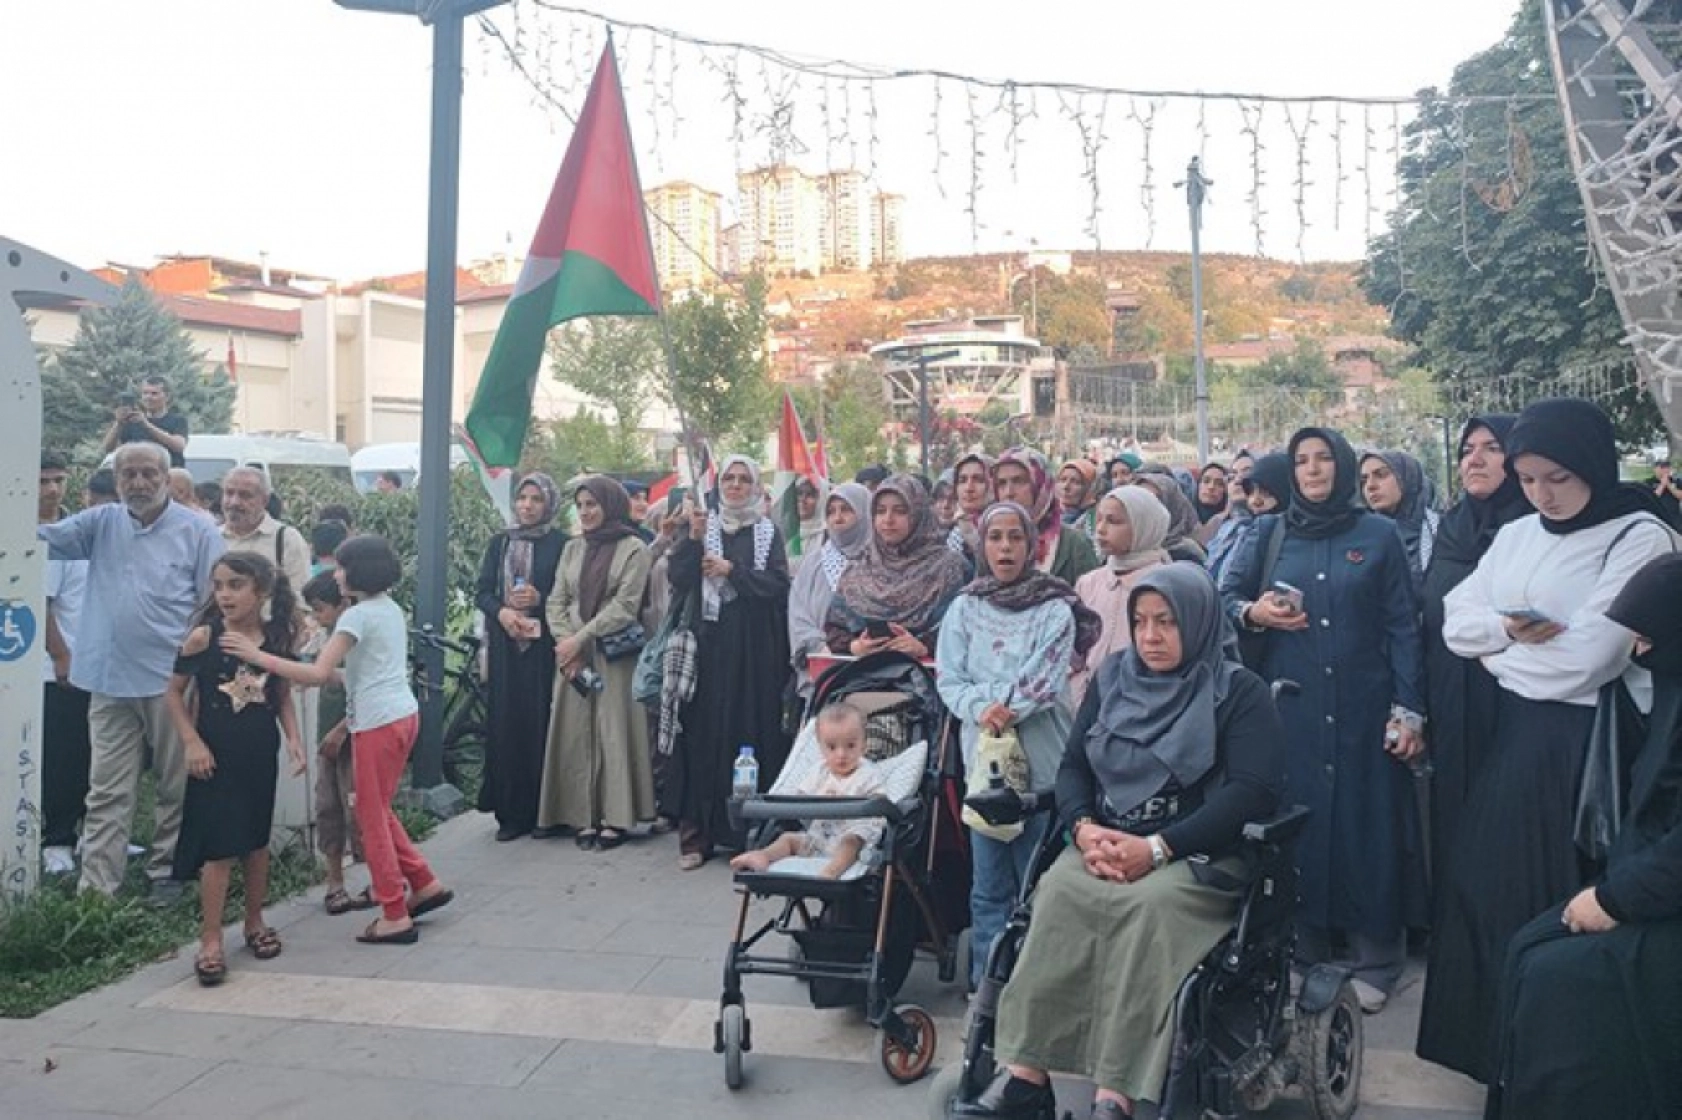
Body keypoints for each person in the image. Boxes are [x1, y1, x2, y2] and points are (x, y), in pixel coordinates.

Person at [959, 564, 1285, 1120]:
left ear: (1200, 623)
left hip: (1199, 852)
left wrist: (1157, 848)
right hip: (1106, 838)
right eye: (1140, 622)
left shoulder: (1239, 692)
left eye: (1167, 622)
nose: (1151, 636)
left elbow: (1251, 793)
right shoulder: (1113, 676)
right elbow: (1074, 766)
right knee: (1058, 894)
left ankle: (1116, 1092)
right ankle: (1026, 1072)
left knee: (1148, 909)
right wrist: (1083, 827)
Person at [1417, 398, 1677, 1080]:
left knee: (1564, 902)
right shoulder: (1519, 532)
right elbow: (1455, 620)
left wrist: (1494, 654)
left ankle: (1561, 1071)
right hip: (1519, 745)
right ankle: (1501, 1061)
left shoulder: (1640, 536)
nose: (1542, 494)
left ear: (1591, 462)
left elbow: (1590, 658)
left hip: (1596, 752)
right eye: (1528, 478)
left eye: (1557, 476)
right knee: (1486, 894)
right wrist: (1509, 634)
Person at [1220, 426, 1425, 1013]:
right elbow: (1223, 594)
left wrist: (1409, 711)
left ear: (1341, 467)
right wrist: (1254, 612)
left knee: (1370, 827)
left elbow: (1403, 629)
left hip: (1365, 709)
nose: (1311, 470)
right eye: (1302, 461)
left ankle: (1376, 958)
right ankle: (1304, 951)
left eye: (1323, 460)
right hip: (1292, 710)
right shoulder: (1268, 533)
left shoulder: (1378, 535)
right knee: (1297, 826)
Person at [1483, 553, 1682, 1120]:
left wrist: (1617, 899)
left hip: (1657, 901)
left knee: (1559, 985)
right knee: (1527, 950)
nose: (1641, 652)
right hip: (1648, 884)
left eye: (1649, 638)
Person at [223, 535, 453, 945]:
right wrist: (327, 676)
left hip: (376, 724)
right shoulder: (389, 610)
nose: (336, 575)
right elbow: (363, 672)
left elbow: (314, 673)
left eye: (343, 568)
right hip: (402, 715)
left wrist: (256, 656)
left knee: (370, 817)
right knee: (379, 810)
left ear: (359, 572)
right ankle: (422, 882)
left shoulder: (355, 617)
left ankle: (394, 912)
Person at [36, 442, 224, 898]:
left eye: (147, 474)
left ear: (165, 477)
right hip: (107, 678)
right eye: (129, 475)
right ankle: (98, 886)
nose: (138, 483)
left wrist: (197, 664)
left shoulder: (198, 531)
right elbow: (44, 536)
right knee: (105, 788)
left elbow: (212, 603)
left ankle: (167, 874)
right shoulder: (101, 523)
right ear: (116, 481)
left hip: (170, 682)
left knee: (173, 786)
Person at [937, 501, 1098, 991]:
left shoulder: (1054, 607)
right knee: (989, 887)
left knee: (1039, 883)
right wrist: (982, 707)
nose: (1005, 548)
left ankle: (1037, 991)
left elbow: (1046, 677)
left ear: (1033, 545)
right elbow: (949, 676)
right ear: (982, 545)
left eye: (1015, 538)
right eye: (995, 538)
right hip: (986, 768)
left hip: (1042, 765)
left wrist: (1005, 707)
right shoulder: (965, 606)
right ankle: (990, 990)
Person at [165, 553, 306, 985]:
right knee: (218, 848)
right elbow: (173, 693)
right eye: (219, 585)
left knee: (255, 841)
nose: (224, 594)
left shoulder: (276, 637)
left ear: (260, 591)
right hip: (213, 754)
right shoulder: (205, 637)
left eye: (236, 585)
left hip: (257, 752)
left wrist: (294, 739)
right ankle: (210, 938)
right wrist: (191, 741)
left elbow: (278, 693)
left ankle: (254, 921)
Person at [1419, 416, 1530, 893]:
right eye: (1467, 449)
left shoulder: (1533, 529)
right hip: (1449, 701)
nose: (1475, 459)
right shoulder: (1451, 528)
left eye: (1491, 447)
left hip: (1513, 703)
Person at [667, 456, 793, 869]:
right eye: (729, 479)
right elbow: (679, 578)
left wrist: (731, 570)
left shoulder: (765, 531)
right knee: (703, 737)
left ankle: (747, 833)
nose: (736, 486)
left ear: (756, 486)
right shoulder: (705, 524)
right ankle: (698, 836)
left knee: (750, 735)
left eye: (744, 480)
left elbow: (776, 584)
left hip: (754, 654)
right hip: (710, 649)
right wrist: (692, 539)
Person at [536, 476, 654, 850]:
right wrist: (564, 644)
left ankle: (616, 818)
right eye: (581, 506)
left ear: (610, 506)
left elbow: (625, 605)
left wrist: (580, 639)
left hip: (613, 655)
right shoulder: (573, 549)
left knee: (613, 732)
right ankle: (580, 814)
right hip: (572, 656)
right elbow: (556, 600)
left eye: (593, 505)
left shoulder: (634, 548)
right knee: (574, 732)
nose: (586, 513)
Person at [474, 473, 567, 842]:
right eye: (522, 498)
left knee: (542, 723)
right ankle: (511, 813)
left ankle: (546, 811)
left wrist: (539, 599)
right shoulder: (499, 543)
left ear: (549, 505)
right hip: (507, 648)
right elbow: (482, 591)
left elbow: (569, 593)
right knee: (507, 725)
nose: (527, 506)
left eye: (536, 499)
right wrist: (503, 613)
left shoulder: (562, 545)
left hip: (545, 648)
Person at [729, 703, 885, 880]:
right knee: (788, 839)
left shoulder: (868, 773)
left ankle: (831, 872)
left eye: (850, 746)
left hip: (854, 839)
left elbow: (879, 804)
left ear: (863, 745)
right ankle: (762, 856)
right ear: (820, 747)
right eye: (832, 747)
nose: (841, 754)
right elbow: (801, 799)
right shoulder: (819, 772)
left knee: (850, 842)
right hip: (818, 839)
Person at [826, 474, 969, 658]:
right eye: (880, 510)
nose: (888, 519)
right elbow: (834, 630)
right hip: (863, 675)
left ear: (918, 514)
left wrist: (924, 647)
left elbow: (965, 629)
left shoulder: (949, 567)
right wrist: (855, 646)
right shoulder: (859, 568)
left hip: (929, 677)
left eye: (900, 511)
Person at [298, 572, 370, 915]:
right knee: (328, 806)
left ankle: (377, 877)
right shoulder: (324, 637)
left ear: (343, 604)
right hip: (326, 738)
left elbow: (366, 690)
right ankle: (335, 880)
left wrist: (343, 728)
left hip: (355, 735)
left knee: (361, 809)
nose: (316, 617)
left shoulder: (356, 639)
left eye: (319, 609)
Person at [1071, 486, 1171, 707]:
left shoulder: (1167, 583)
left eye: (1113, 521)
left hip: (1142, 704)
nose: (1101, 529)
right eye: (1099, 520)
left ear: (1143, 526)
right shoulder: (1089, 583)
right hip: (1086, 705)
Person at [39, 451, 91, 877]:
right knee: (61, 758)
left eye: (58, 479)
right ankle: (56, 840)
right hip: (54, 670)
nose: (53, 489)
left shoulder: (75, 530)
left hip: (93, 664)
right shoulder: (35, 537)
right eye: (44, 481)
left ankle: (91, 832)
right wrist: (60, 655)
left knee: (92, 756)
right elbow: (41, 605)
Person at [788, 482, 871, 696]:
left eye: (846, 510)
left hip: (869, 667)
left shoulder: (881, 560)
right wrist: (817, 646)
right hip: (822, 666)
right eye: (831, 511)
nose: (838, 518)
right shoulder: (815, 562)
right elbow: (798, 612)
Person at [992, 448, 1100, 585]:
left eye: (1019, 481)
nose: (1008, 492)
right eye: (1001, 483)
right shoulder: (990, 541)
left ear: (1041, 484)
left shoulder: (1073, 544)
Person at [219, 467, 311, 597]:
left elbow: (300, 597)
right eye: (229, 493)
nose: (234, 502)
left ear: (265, 500)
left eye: (245, 495)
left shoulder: (286, 540)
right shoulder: (212, 538)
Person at [1206, 451, 1290, 585]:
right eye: (1250, 491)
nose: (1254, 501)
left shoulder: (1294, 541)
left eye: (1266, 493)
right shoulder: (1235, 530)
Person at [1360, 449, 1441, 586]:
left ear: (1407, 477)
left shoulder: (1442, 530)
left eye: (1381, 475)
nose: (1370, 486)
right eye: (1363, 480)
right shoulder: (1360, 536)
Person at [101, 375, 189, 467]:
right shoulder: (132, 421)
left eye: (154, 393)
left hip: (169, 475)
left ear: (167, 397)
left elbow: (179, 446)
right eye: (145, 393)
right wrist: (118, 423)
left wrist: (146, 424)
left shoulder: (178, 420)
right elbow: (108, 449)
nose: (148, 397)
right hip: (138, 475)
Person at [1133, 470, 1208, 564]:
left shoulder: (1188, 553)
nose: (1146, 506)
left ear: (1171, 505)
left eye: (1154, 499)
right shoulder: (1124, 547)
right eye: (1141, 499)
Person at [947, 452, 995, 561]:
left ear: (993, 484)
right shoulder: (950, 530)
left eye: (979, 480)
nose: (969, 488)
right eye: (962, 480)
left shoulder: (1005, 528)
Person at [788, 476, 828, 571]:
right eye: (799, 493)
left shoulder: (829, 536)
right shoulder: (784, 532)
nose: (802, 499)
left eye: (810, 495)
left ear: (821, 500)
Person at [1056, 458, 1101, 540]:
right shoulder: (1047, 517)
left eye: (1075, 482)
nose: (1066, 487)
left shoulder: (1097, 520)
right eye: (1063, 480)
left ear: (1089, 488)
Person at [1192, 461, 1229, 534]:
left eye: (1219, 483)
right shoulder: (1183, 522)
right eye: (1206, 481)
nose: (1211, 487)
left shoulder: (1231, 527)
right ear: (1198, 485)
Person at [1650, 457, 1682, 529]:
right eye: (1662, 467)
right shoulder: (1649, 482)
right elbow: (1652, 498)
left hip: (1676, 520)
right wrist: (1662, 485)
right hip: (1658, 519)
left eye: (1667, 467)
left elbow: (1680, 496)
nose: (1664, 470)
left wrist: (1669, 485)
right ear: (1655, 469)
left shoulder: (1676, 481)